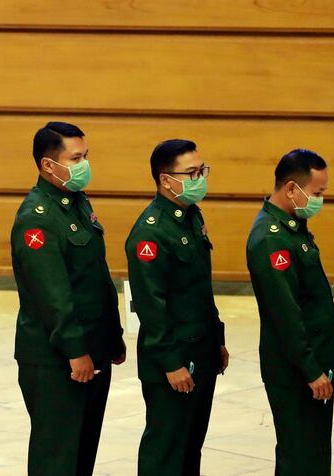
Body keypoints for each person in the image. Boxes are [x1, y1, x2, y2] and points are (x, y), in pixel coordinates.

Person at [10, 122, 126, 475]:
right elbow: (53, 296)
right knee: (57, 457)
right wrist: (76, 351)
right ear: (48, 165)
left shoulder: (76, 205)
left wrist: (113, 338)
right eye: (75, 158)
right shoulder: (37, 218)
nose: (84, 164)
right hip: (56, 359)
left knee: (82, 453)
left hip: (93, 348)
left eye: (85, 156)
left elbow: (97, 278)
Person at [125, 139, 229, 476]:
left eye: (202, 170)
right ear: (166, 179)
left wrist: (217, 340)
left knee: (189, 448)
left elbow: (200, 289)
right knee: (166, 452)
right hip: (172, 361)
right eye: (192, 173)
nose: (200, 178)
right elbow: (151, 306)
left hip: (201, 350)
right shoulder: (150, 233)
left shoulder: (190, 217)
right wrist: (171, 363)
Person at [246, 148, 334, 475]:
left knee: (314, 452)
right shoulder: (271, 239)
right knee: (299, 455)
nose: (319, 200)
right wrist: (311, 369)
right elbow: (286, 314)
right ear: (292, 189)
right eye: (316, 193)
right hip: (297, 369)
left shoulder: (292, 226)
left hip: (314, 361)